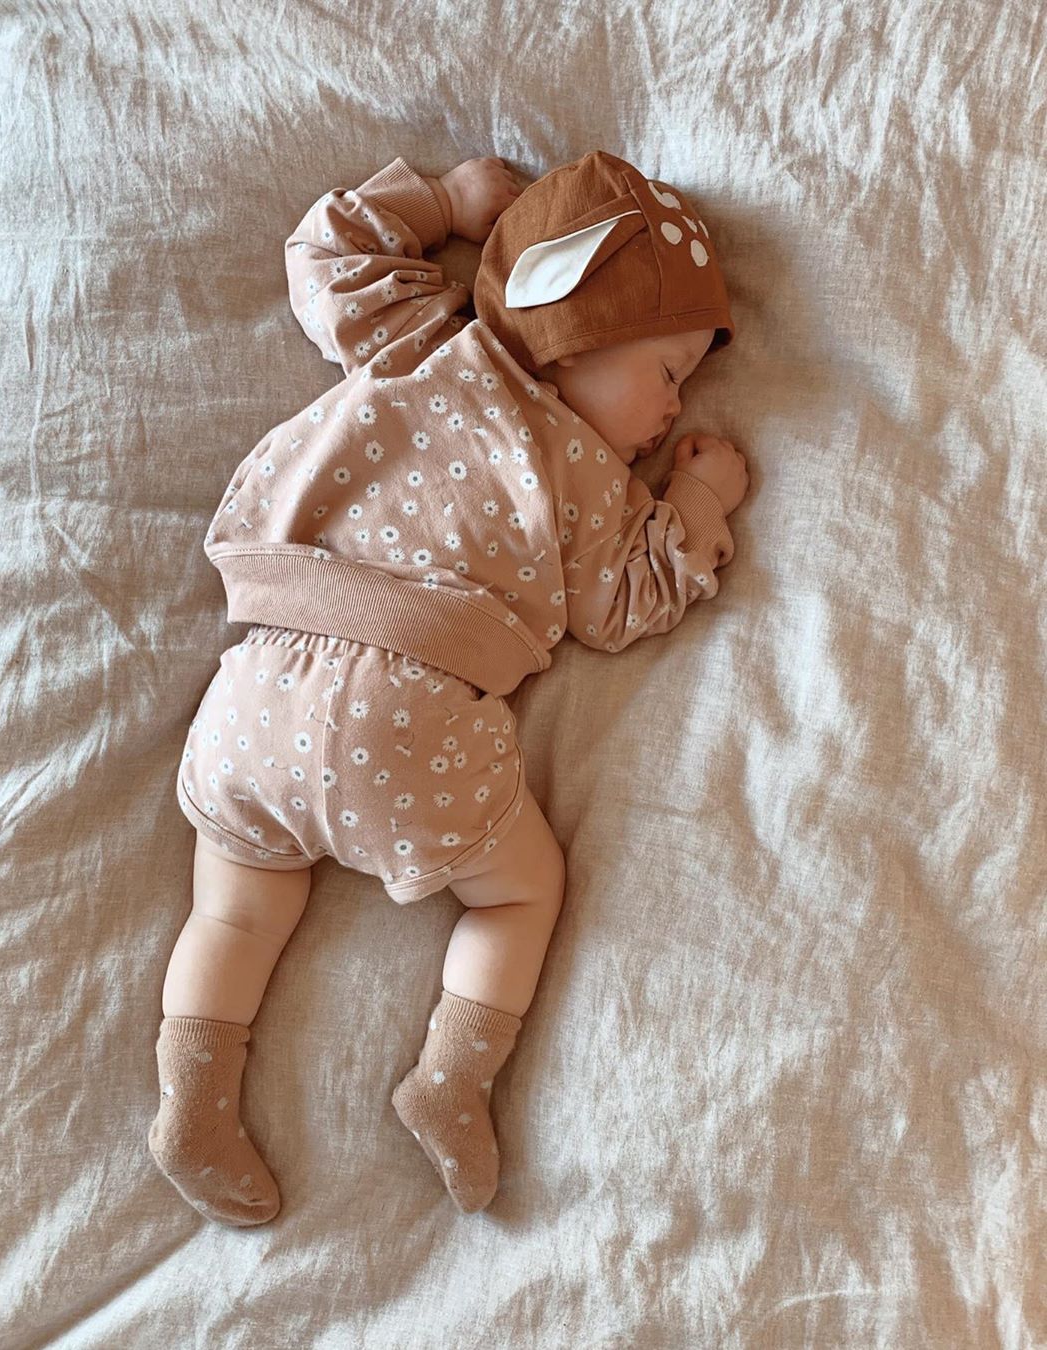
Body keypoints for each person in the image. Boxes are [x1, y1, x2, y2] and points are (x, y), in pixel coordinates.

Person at [148, 151, 750, 1223]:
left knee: (231, 913)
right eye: (668, 371)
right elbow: (626, 607)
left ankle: (193, 1098)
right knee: (521, 892)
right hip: (415, 720)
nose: (673, 408)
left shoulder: (417, 340)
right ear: (579, 330)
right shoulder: (588, 482)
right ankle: (452, 1079)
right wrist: (698, 503)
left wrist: (438, 201)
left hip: (260, 691)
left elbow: (327, 255)